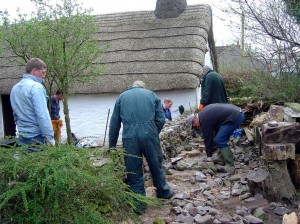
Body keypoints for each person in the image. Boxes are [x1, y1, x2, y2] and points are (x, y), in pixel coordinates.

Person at [109, 80, 174, 212]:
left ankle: (139, 205)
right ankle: (164, 193)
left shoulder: (121, 97)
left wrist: (112, 145)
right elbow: (161, 119)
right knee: (156, 165)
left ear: (131, 86)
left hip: (130, 137)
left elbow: (114, 124)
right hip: (150, 134)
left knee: (134, 171)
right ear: (143, 87)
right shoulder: (152, 95)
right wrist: (153, 132)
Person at [187, 103, 244, 174]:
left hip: (236, 116)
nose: (196, 128)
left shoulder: (204, 120)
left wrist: (209, 157)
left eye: (194, 126)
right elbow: (216, 130)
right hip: (235, 113)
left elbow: (208, 138)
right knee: (220, 137)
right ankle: (221, 157)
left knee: (220, 140)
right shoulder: (203, 115)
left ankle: (230, 165)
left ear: (194, 120)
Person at [10, 58, 55, 146]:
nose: (44, 76)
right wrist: (50, 138)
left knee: (25, 160)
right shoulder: (36, 87)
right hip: (36, 137)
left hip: (22, 136)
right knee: (39, 160)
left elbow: (15, 114)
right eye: (43, 72)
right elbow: (42, 115)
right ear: (34, 71)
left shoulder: (15, 88)